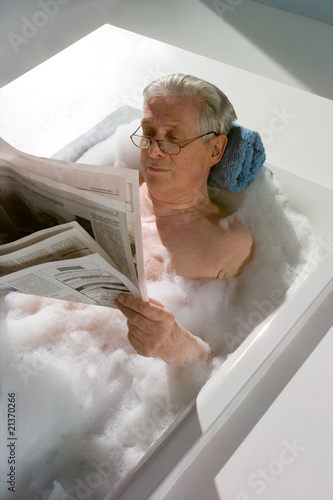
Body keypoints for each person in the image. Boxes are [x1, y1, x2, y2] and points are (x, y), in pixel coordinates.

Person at [115, 74, 253, 367]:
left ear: (214, 150)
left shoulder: (226, 245)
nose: (153, 151)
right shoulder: (113, 191)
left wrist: (176, 346)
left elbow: (230, 364)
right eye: (149, 133)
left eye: (173, 139)